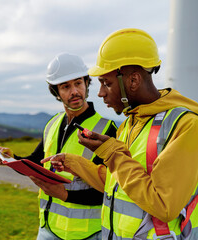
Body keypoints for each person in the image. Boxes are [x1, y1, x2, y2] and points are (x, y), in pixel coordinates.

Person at [43, 28, 198, 240]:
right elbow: (116, 183)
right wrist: (74, 162)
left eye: (106, 83)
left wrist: (111, 152)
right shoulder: (130, 123)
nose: (100, 93)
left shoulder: (186, 125)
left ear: (133, 81)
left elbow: (164, 205)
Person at [0, 52, 117, 240]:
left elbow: (111, 189)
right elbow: (35, 163)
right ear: (56, 92)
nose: (74, 91)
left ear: (86, 84)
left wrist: (65, 195)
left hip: (88, 233)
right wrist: (12, 159)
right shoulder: (53, 124)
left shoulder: (106, 129)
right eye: (65, 86)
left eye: (78, 83)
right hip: (48, 228)